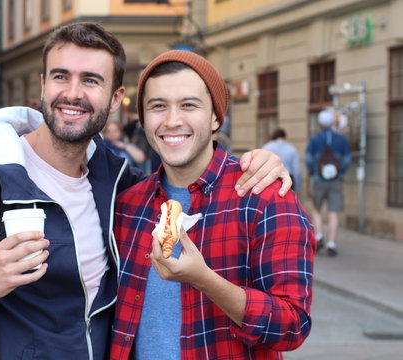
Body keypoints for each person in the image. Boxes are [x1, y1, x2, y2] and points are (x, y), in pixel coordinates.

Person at [0, 23, 291, 359]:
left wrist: (257, 161)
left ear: (116, 98)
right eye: (61, 76)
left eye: (91, 80)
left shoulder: (119, 185)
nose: (73, 93)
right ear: (44, 85)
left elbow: (188, 161)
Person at [110, 50, 315, 359]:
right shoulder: (127, 205)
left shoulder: (263, 197)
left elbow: (292, 325)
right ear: (142, 119)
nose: (172, 120)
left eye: (189, 105)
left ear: (216, 117)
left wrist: (205, 280)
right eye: (158, 106)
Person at [305, 109, 351, 256]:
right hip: (336, 180)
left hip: (318, 179)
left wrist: (313, 172)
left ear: (319, 124)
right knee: (333, 212)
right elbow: (347, 159)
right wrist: (340, 173)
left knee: (317, 209)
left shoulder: (315, 139)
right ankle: (332, 243)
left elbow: (308, 158)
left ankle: (319, 236)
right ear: (332, 122)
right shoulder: (341, 139)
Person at [262, 127, 302, 192]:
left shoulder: (266, 147)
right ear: (285, 137)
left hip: (270, 179)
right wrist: (298, 187)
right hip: (288, 179)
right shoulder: (291, 149)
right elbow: (296, 170)